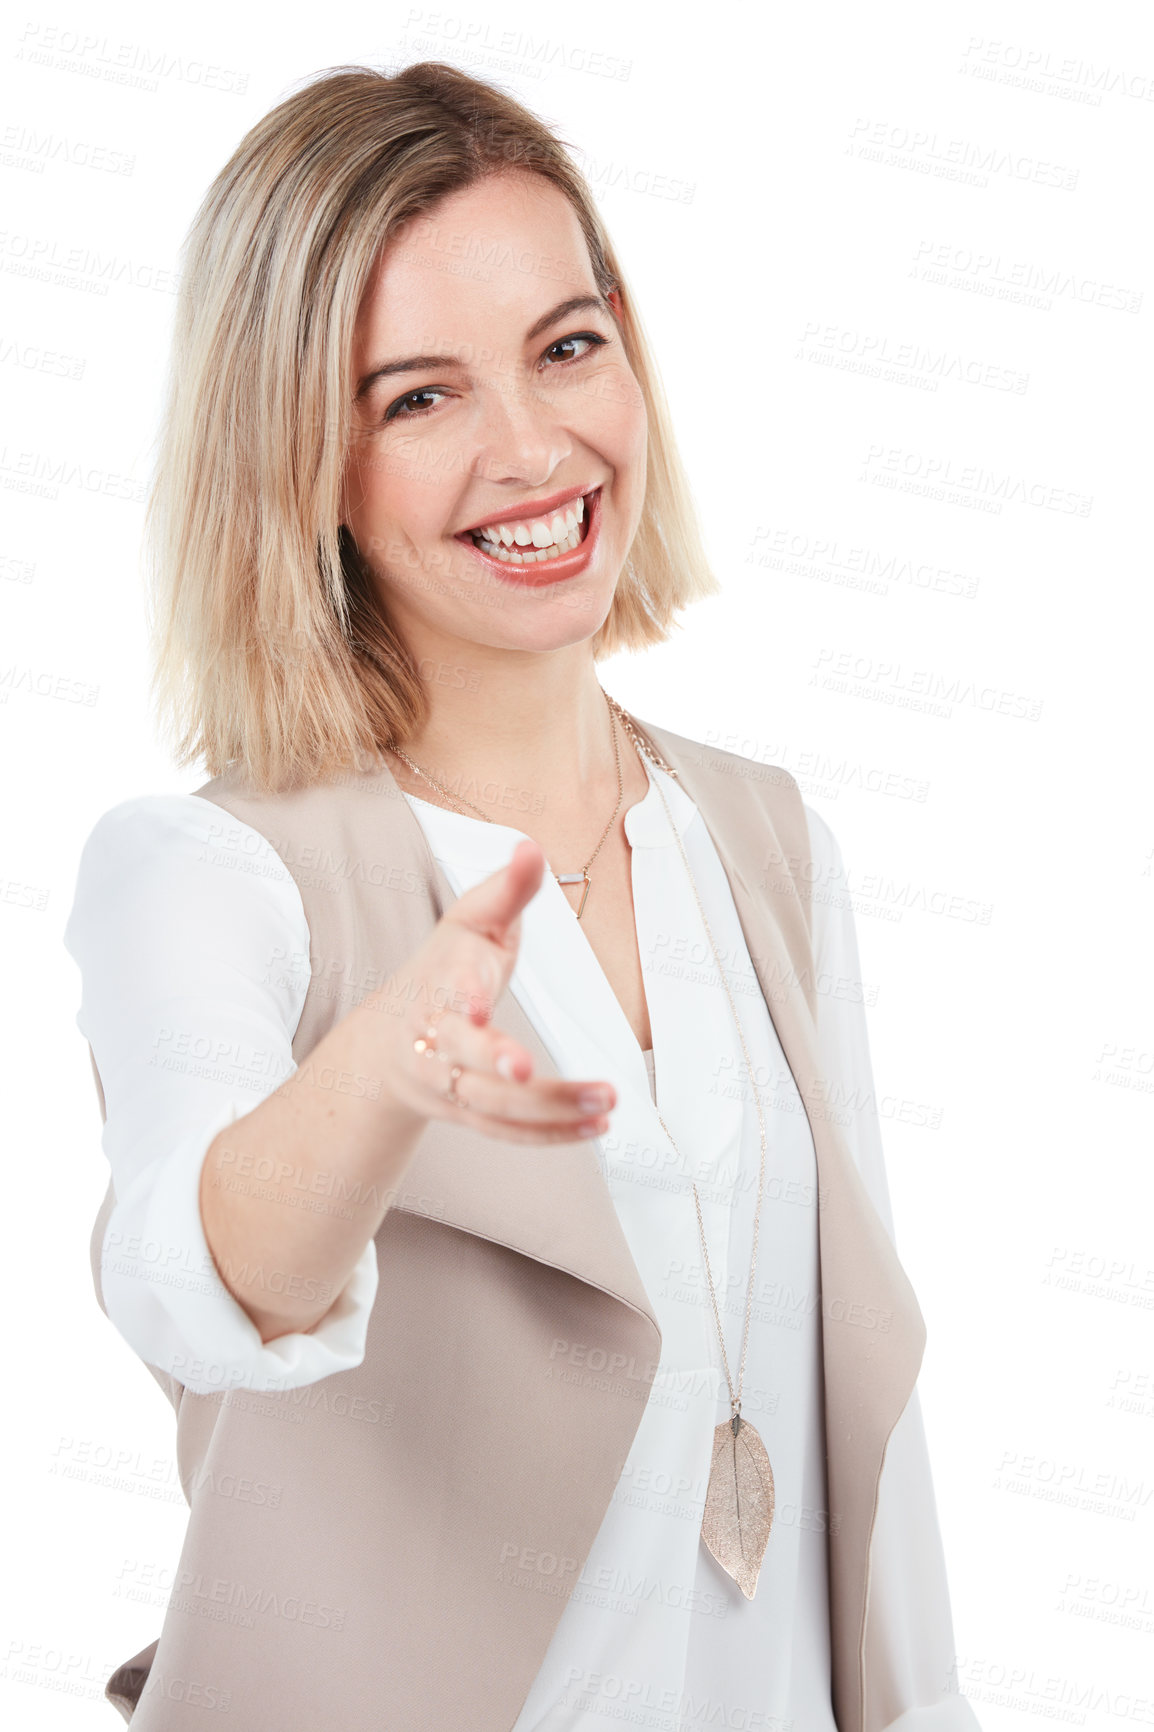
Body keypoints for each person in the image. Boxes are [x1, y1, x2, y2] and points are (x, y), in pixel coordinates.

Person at [63, 61, 980, 1732]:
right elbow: (184, 1281)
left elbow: (870, 1433)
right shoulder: (207, 874)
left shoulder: (766, 841)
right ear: (299, 462)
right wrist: (377, 1074)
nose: (532, 447)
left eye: (566, 347)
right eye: (419, 398)